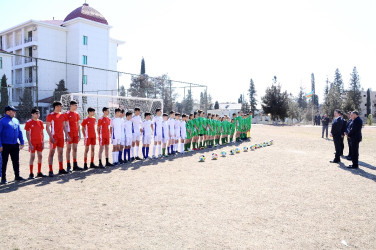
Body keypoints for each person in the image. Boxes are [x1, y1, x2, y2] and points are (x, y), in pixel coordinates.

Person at [0, 105, 25, 184]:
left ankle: (17, 176)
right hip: (5, 145)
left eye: (14, 111)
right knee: (4, 162)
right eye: (13, 111)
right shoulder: (2, 121)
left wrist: (22, 142)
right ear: (7, 112)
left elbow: (20, 132)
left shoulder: (16, 120)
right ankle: (3, 178)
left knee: (16, 161)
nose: (14, 112)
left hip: (15, 144)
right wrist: (0, 145)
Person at [46, 101, 70, 176]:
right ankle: (50, 170)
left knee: (60, 153)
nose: (61, 107)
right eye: (60, 106)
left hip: (61, 137)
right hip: (54, 137)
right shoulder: (50, 115)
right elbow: (47, 127)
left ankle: (61, 169)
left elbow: (64, 126)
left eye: (61, 106)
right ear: (56, 107)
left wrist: (67, 135)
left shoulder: (62, 115)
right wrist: (51, 137)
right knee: (52, 153)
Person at [25, 108, 47, 179]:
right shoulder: (29, 122)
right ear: (32, 114)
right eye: (36, 113)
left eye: (39, 113)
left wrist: (43, 142)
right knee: (32, 157)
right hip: (33, 143)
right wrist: (30, 144)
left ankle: (39, 172)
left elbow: (42, 133)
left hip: (39, 142)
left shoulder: (40, 122)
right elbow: (27, 134)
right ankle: (31, 173)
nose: (38, 115)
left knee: (40, 156)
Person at [64, 100, 83, 172]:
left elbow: (78, 124)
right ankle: (68, 166)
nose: (76, 106)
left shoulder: (77, 114)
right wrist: (67, 135)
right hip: (69, 134)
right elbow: (65, 125)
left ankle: (75, 165)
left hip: (75, 134)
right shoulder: (67, 114)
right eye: (75, 105)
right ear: (71, 105)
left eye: (77, 105)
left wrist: (79, 134)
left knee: (75, 149)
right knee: (68, 149)